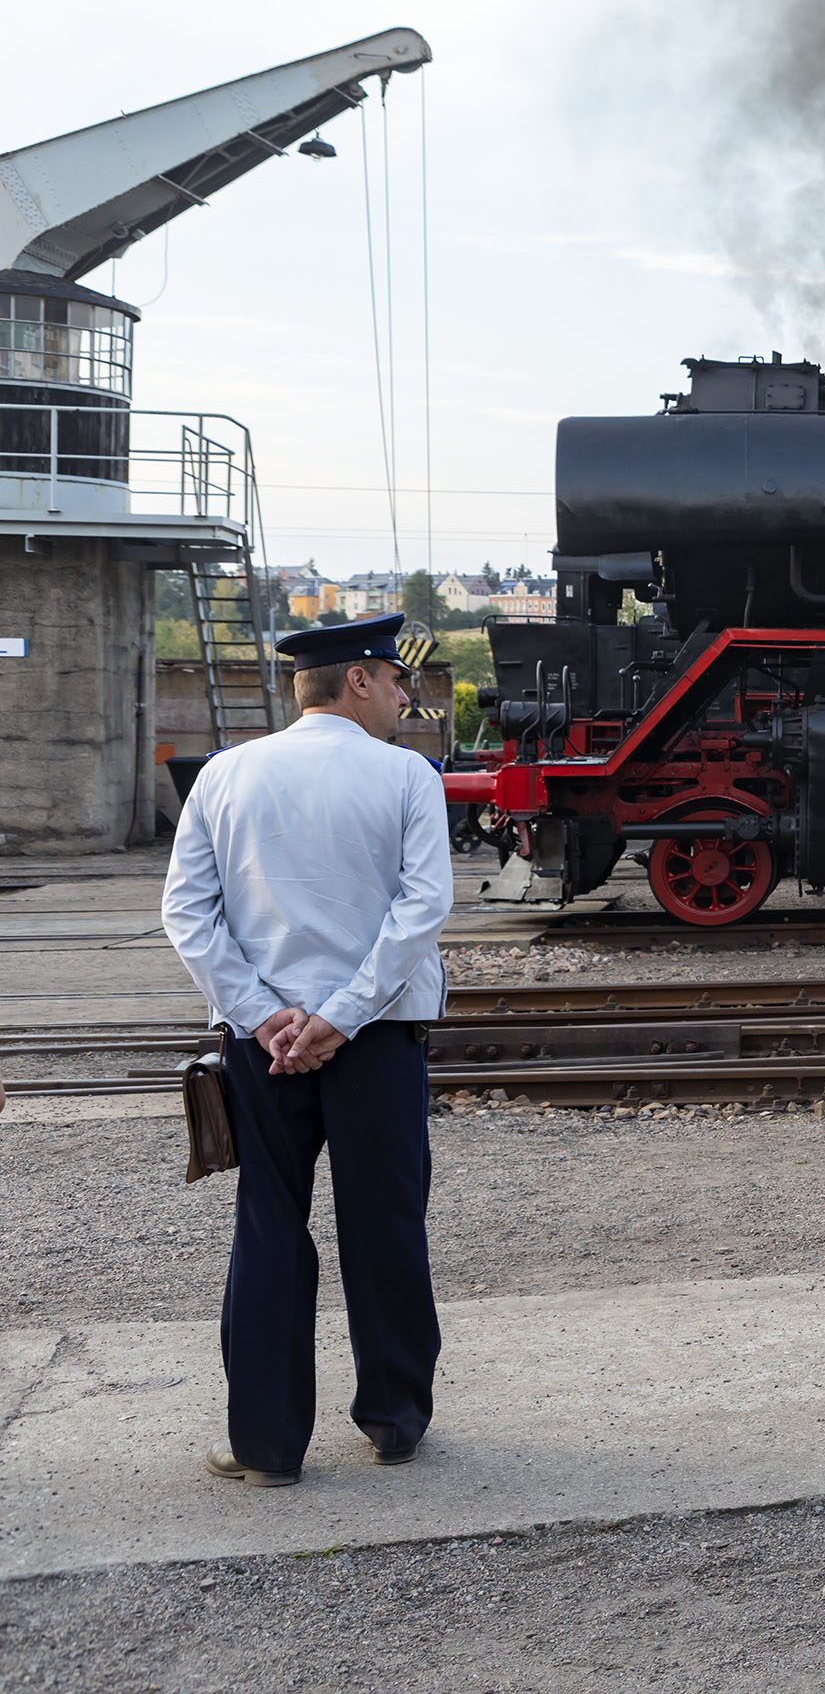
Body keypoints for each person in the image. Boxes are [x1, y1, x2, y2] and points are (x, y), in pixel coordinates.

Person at [161, 612, 453, 1488]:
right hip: (377, 1038)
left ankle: (265, 1444)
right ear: (357, 680)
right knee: (386, 1223)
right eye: (396, 681)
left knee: (268, 1227)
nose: (405, 697)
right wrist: (342, 1016)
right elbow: (421, 909)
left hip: (266, 1048)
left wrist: (264, 1017)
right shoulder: (407, 777)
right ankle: (395, 1422)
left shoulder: (224, 774)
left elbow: (188, 913)